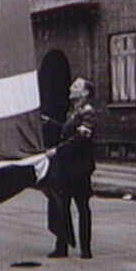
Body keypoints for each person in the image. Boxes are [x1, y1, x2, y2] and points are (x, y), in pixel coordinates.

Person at [41, 77, 97, 259]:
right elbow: (70, 132)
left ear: (85, 93)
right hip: (67, 167)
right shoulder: (73, 112)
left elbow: (81, 138)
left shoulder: (88, 112)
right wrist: (50, 122)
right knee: (61, 205)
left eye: (76, 86)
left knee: (82, 207)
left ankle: (85, 248)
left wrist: (57, 151)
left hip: (79, 168)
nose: (71, 87)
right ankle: (62, 245)